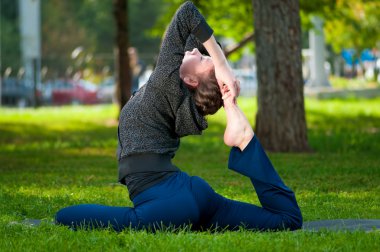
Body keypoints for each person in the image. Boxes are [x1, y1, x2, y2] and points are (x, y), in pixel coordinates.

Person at [55, 1, 302, 232]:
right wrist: (226, 94)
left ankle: (243, 134)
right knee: (286, 220)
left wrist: (222, 65)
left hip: (168, 203)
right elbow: (194, 32)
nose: (197, 50)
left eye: (204, 57)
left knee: (65, 216)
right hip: (190, 192)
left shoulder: (167, 79)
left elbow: (186, 13)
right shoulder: (182, 89)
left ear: (191, 80)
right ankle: (245, 141)